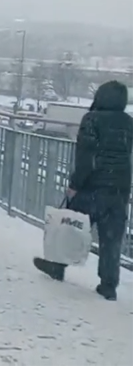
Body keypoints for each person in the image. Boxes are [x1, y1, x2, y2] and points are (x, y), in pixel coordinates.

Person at [33, 80, 133, 300]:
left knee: (71, 227)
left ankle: (57, 266)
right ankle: (109, 284)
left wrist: (75, 185)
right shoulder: (129, 123)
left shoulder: (92, 120)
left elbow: (85, 158)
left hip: (92, 189)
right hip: (119, 191)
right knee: (111, 237)